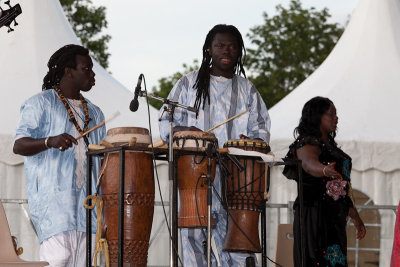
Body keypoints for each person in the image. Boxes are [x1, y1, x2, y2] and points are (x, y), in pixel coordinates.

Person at [159, 24, 271, 266]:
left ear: (240, 51)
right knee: (192, 238)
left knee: (238, 243)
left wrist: (250, 143)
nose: (227, 50)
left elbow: (261, 130)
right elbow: (166, 122)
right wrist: (185, 130)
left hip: (239, 178)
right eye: (220, 45)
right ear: (209, 49)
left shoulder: (247, 90)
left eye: (233, 46)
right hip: (195, 173)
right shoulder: (188, 83)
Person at [13, 44, 106, 266]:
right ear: (68, 71)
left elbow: (105, 164)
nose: (92, 74)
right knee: (58, 260)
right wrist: (49, 141)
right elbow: (18, 144)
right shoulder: (41, 103)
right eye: (87, 68)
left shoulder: (95, 113)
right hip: (54, 210)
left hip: (90, 213)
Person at [282, 96, 366, 267]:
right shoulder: (306, 143)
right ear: (317, 116)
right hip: (315, 215)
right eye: (332, 114)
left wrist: (356, 217)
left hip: (335, 218)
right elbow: (308, 162)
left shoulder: (331, 147)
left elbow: (341, 190)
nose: (336, 118)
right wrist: (323, 170)